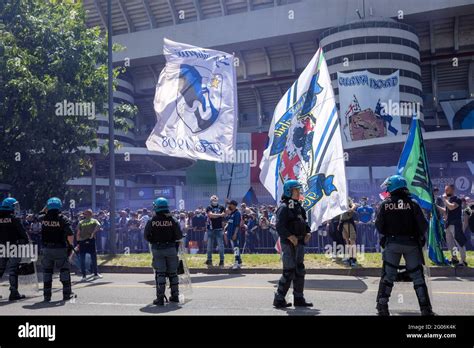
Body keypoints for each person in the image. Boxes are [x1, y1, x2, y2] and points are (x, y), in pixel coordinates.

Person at [375, 175, 434, 316]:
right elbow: (423, 225)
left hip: (392, 244)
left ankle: (383, 308)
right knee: (418, 278)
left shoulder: (385, 204)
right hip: (411, 244)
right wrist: (418, 237)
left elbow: (379, 226)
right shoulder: (413, 204)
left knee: (388, 277)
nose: (387, 188)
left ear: (393, 186)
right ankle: (425, 309)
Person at [273, 180, 313, 308]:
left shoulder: (298, 207)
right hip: (289, 244)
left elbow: (304, 223)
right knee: (289, 271)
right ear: (289, 191)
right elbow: (279, 226)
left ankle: (299, 298)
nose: (298, 192)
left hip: (300, 242)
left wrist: (308, 232)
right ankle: (279, 299)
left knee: (299, 270)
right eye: (296, 190)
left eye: (298, 190)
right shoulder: (284, 207)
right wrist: (290, 236)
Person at [144, 197, 183, 305]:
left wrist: (154, 241)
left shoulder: (152, 220)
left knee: (160, 273)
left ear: (156, 207)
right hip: (171, 248)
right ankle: (175, 296)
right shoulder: (173, 220)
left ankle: (160, 298)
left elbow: (146, 236)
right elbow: (179, 235)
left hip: (157, 249)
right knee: (173, 273)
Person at [39, 197, 76, 302]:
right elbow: (70, 234)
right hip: (60, 248)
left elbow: (40, 213)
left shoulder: (43, 218)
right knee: (64, 271)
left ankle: (47, 296)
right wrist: (70, 246)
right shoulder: (63, 218)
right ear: (59, 206)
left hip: (47, 249)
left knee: (47, 272)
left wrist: (46, 207)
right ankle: (66, 294)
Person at [0, 197, 29, 301]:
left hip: (1, 247)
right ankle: (13, 293)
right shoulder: (14, 219)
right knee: (13, 270)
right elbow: (23, 236)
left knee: (0, 269)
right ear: (10, 207)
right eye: (14, 206)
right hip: (13, 247)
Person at [439, 185, 467, 267]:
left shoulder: (457, 199)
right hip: (448, 225)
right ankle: (455, 258)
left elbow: (451, 207)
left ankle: (463, 261)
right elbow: (446, 211)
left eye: (447, 190)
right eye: (445, 190)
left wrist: (444, 200)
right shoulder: (449, 200)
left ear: (452, 190)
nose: (445, 191)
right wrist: (436, 207)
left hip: (455, 224)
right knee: (451, 244)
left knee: (459, 243)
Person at [76, 209, 102, 281]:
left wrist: (78, 242)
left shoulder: (81, 222)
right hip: (91, 240)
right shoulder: (94, 220)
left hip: (82, 242)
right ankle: (95, 274)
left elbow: (78, 233)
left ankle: (84, 276)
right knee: (93, 258)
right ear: (91, 214)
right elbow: (99, 226)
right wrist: (93, 233)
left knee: (82, 259)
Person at [205, 195, 225, 267]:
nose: (215, 200)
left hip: (219, 229)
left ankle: (222, 260)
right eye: (213, 200)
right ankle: (209, 260)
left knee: (220, 246)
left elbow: (224, 215)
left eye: (216, 199)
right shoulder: (209, 207)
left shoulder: (221, 207)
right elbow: (210, 215)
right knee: (209, 246)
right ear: (211, 201)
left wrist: (217, 215)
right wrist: (220, 215)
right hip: (210, 229)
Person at [340, 198, 358, 267]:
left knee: (352, 240)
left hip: (349, 221)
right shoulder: (340, 197)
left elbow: (353, 205)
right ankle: (349, 256)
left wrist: (351, 209)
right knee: (347, 241)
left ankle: (353, 258)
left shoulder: (347, 197)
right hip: (343, 222)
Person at [225, 200, 242, 270]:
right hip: (230, 234)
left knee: (236, 248)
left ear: (234, 205)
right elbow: (228, 222)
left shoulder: (237, 213)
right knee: (235, 248)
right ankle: (239, 262)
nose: (229, 206)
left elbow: (237, 225)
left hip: (235, 234)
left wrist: (235, 234)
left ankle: (237, 262)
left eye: (230, 204)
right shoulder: (232, 213)